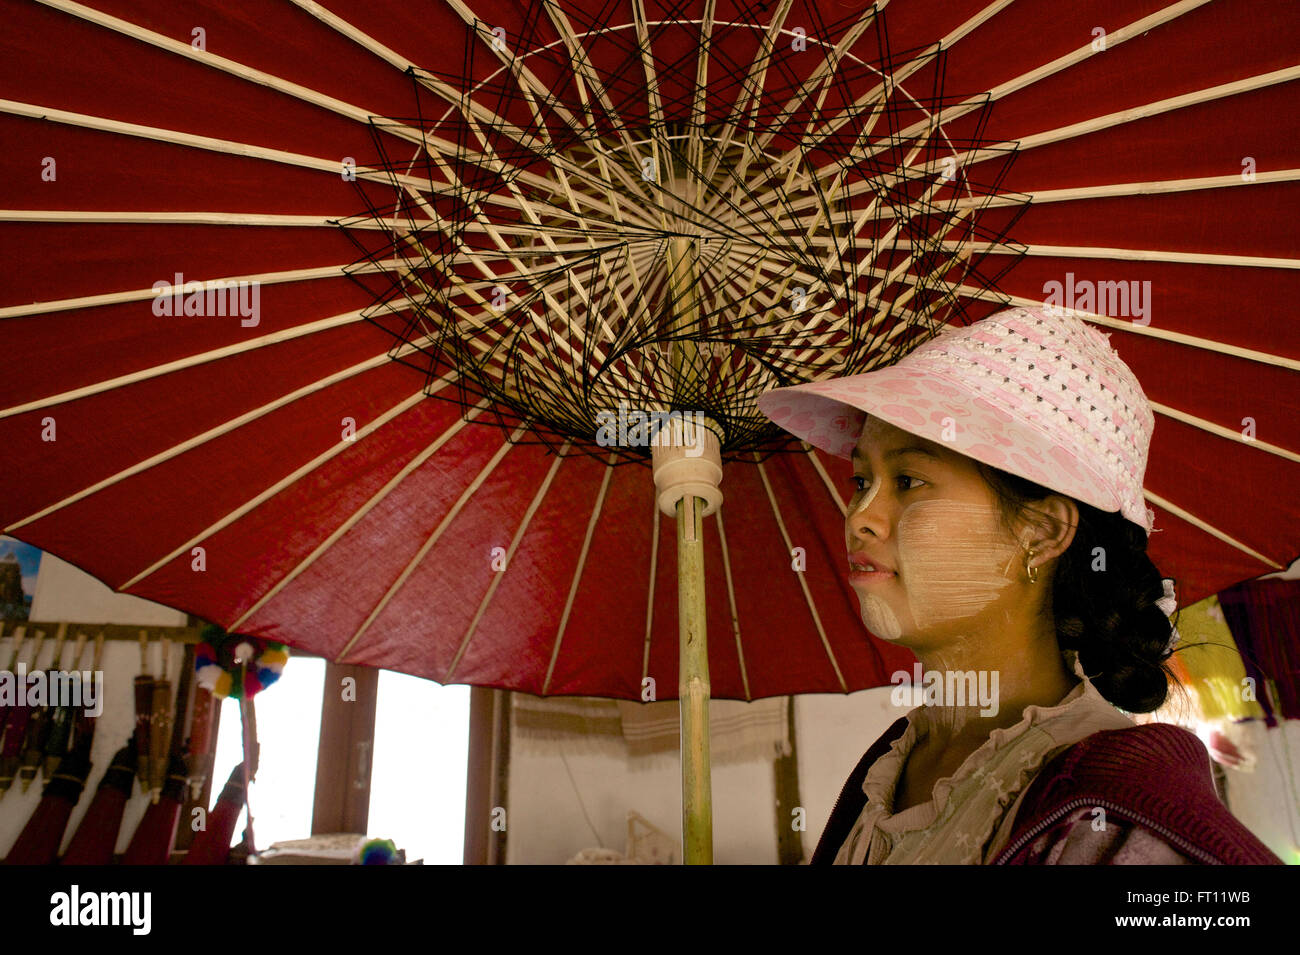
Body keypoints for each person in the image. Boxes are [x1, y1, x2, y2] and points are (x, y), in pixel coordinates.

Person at [757, 305, 1282, 865]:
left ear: (1042, 532)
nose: (859, 516)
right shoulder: (888, 768)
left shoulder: (1117, 822)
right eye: (861, 480)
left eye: (908, 481)